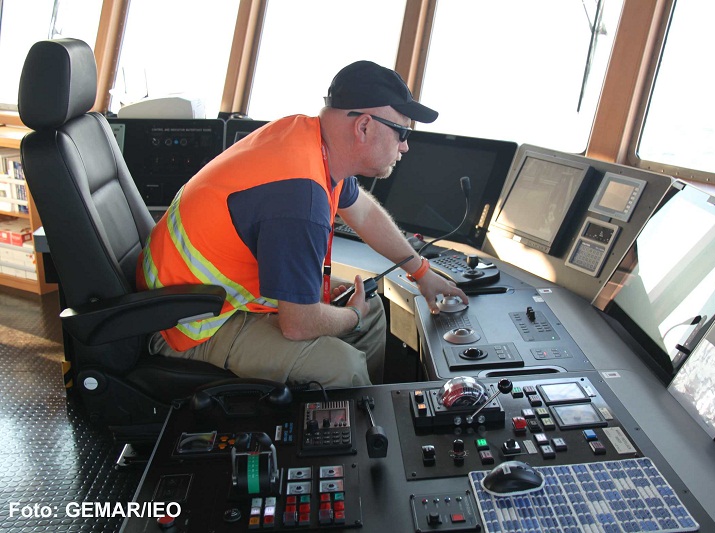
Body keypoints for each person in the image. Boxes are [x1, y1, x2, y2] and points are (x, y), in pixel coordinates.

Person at [136, 60, 468, 388]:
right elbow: (298, 324)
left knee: (372, 310)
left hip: (212, 291)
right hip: (184, 323)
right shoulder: (299, 197)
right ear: (364, 126)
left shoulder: (307, 138)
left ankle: (365, 409)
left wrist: (421, 272)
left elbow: (363, 213)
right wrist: (350, 316)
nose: (405, 146)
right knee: (345, 367)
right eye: (402, 132)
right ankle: (347, 421)